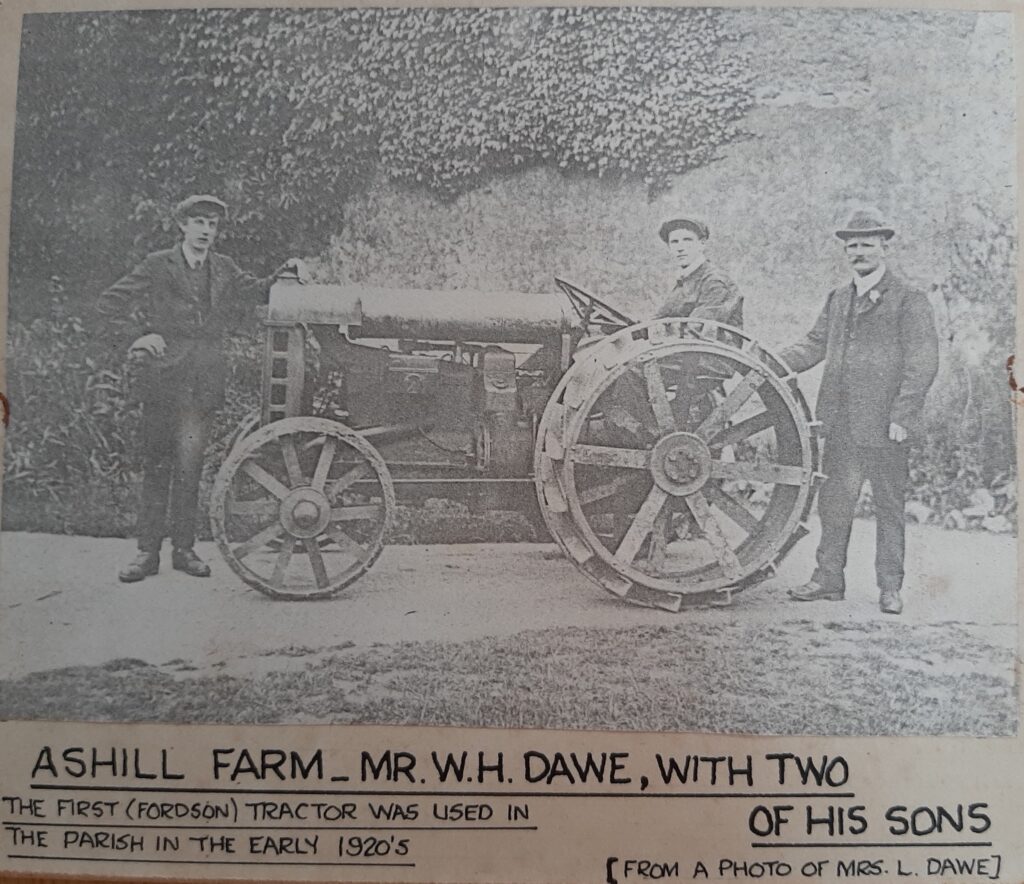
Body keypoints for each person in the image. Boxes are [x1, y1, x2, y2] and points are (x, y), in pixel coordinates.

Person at [100, 195, 306, 583]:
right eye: (199, 222)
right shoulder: (158, 265)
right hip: (162, 382)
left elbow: (257, 290)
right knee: (158, 466)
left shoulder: (224, 268)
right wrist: (139, 337)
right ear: (182, 225)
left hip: (203, 384)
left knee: (190, 467)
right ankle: (146, 554)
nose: (206, 231)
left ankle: (184, 550)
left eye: (212, 224)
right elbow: (109, 303)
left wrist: (285, 272)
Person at [780, 208, 939, 614]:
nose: (859, 251)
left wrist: (902, 416)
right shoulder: (837, 298)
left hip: (887, 428)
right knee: (835, 503)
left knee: (888, 506)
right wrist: (772, 362)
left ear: (884, 247)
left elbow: (922, 362)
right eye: (852, 245)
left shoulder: (909, 299)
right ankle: (828, 579)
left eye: (867, 244)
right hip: (841, 425)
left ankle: (890, 587)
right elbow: (814, 344)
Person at [656, 216, 743, 327]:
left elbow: (697, 329)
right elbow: (658, 320)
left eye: (687, 240)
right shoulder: (685, 281)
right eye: (674, 242)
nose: (680, 248)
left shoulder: (715, 281)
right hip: (683, 342)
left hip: (707, 343)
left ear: (702, 244)